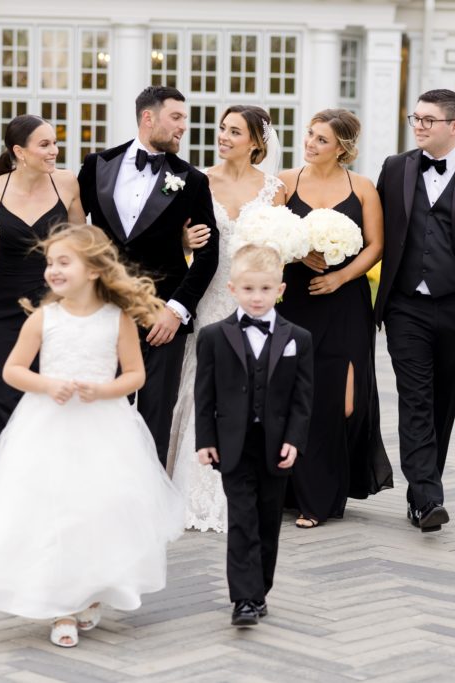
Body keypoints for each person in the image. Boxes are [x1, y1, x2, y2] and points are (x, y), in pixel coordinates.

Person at [0, 224, 183, 647]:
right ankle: (61, 607)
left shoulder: (117, 320)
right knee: (51, 510)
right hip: (47, 426)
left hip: (104, 428)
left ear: (94, 269)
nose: (53, 271)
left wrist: (103, 390)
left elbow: (135, 375)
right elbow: (13, 370)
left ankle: (89, 590)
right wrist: (46, 385)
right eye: (50, 263)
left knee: (98, 509)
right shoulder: (45, 318)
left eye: (65, 262)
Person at [374, 89, 455, 532]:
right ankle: (429, 497)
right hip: (406, 307)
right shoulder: (395, 169)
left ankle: (422, 495)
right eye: (416, 117)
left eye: (429, 119)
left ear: (454, 126)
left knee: (442, 405)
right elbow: (375, 229)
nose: (419, 125)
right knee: (415, 399)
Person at [78, 85, 219, 465]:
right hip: (105, 312)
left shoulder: (192, 180)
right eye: (176, 118)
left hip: (162, 318)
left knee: (156, 415)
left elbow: (208, 255)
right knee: (106, 410)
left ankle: (149, 506)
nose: (182, 127)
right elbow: (75, 233)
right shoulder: (96, 166)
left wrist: (176, 311)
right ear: (148, 118)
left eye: (184, 120)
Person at [168, 105, 286, 533]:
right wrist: (183, 239)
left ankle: (242, 483)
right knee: (202, 384)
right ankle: (191, 486)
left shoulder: (275, 190)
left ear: (256, 142)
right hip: (211, 294)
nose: (223, 136)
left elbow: (279, 253)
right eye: (222, 128)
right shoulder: (199, 181)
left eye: (234, 131)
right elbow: (175, 240)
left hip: (253, 300)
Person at [277, 108, 391, 529]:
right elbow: (271, 235)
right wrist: (297, 250)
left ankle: (327, 487)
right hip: (296, 300)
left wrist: (340, 277)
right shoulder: (286, 183)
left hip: (345, 303)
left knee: (342, 402)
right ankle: (304, 495)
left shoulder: (361, 188)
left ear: (342, 147)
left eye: (321, 139)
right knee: (295, 392)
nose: (310, 143)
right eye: (309, 134)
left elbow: (376, 245)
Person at [195, 244, 314, 626]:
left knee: (267, 521)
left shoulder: (299, 337)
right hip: (233, 444)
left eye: (265, 289)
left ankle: (260, 588)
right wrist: (205, 439)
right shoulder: (214, 336)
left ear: (280, 289)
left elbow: (302, 397)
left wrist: (294, 440)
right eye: (248, 289)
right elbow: (205, 393)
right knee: (242, 518)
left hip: (277, 445)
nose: (257, 297)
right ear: (232, 289)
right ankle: (243, 599)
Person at [0, 114, 84, 478]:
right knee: (3, 397)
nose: (54, 151)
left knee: (46, 400)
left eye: (55, 143)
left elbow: (82, 246)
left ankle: (48, 485)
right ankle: (5, 489)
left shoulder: (67, 184)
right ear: (19, 152)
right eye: (45, 144)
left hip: (54, 308)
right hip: (0, 309)